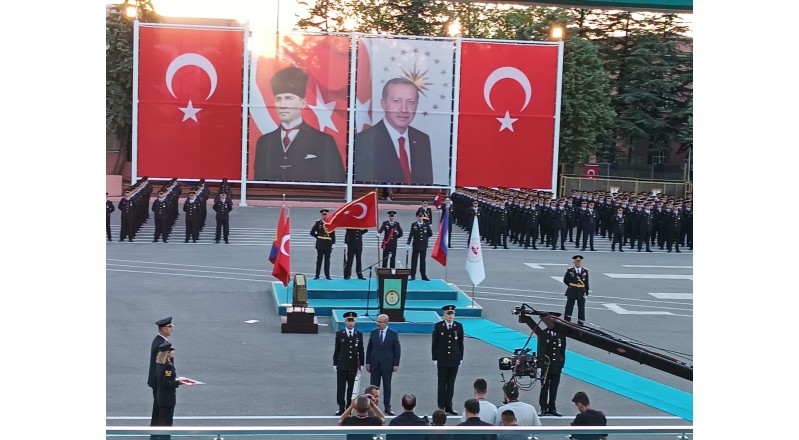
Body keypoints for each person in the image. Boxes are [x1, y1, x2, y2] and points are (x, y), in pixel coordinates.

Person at [253, 66, 345, 182]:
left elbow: (336, 183)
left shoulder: (324, 141)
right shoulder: (264, 142)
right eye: (278, 99)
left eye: (288, 98)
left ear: (303, 103)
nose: (282, 105)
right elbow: (260, 183)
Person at [353, 77, 433, 184]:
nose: (404, 109)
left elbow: (426, 186)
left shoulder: (422, 140)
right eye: (397, 101)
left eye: (410, 102)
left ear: (416, 105)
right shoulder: (364, 141)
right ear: (383, 104)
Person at [366, 314, 401, 415]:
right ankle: (372, 406)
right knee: (372, 388)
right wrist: (368, 362)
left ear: (386, 323)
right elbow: (369, 348)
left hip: (387, 364)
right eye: (377, 321)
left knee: (387, 386)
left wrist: (396, 364)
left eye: (380, 322)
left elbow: (397, 350)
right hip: (375, 364)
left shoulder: (393, 334)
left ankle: (387, 406)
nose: (377, 324)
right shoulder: (373, 332)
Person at [432, 305, 464, 415]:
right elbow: (434, 343)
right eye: (448, 313)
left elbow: (460, 344)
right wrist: (434, 358)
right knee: (441, 383)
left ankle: (449, 406)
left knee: (451, 384)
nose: (450, 316)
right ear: (444, 315)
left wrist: (461, 358)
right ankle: (441, 406)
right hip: (442, 359)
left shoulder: (458, 326)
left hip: (454, 359)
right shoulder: (438, 326)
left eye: (452, 313)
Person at [334, 311, 365, 415]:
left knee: (351, 388)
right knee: (341, 387)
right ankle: (341, 407)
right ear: (345, 322)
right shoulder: (340, 334)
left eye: (352, 321)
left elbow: (361, 350)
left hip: (353, 365)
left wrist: (362, 363)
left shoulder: (358, 335)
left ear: (355, 322)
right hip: (342, 365)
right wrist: (335, 363)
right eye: (348, 321)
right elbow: (337, 350)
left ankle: (349, 407)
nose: (350, 323)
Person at [148, 317, 173, 429]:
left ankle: (154, 433)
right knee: (162, 411)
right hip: (161, 382)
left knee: (157, 408)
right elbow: (162, 364)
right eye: (169, 327)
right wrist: (172, 379)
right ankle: (160, 433)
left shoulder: (158, 340)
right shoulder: (162, 345)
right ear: (163, 329)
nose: (171, 329)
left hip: (156, 380)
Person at [154, 342, 182, 439]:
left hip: (161, 398)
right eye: (171, 352)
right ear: (167, 353)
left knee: (162, 421)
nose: (172, 353)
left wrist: (171, 360)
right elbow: (167, 383)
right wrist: (178, 383)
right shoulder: (167, 367)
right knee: (167, 422)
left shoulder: (159, 364)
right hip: (168, 399)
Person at [537, 326, 566, 417]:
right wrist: (540, 365)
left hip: (556, 366)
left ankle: (552, 408)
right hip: (546, 366)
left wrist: (561, 365)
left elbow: (562, 351)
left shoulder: (561, 334)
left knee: (554, 388)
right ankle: (543, 408)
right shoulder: (543, 333)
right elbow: (540, 350)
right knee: (544, 388)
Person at [563, 255, 590, 324]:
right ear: (574, 262)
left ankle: (581, 323)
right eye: (576, 262)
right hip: (572, 291)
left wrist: (586, 291)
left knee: (581, 309)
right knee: (569, 308)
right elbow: (565, 280)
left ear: (581, 262)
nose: (578, 263)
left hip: (581, 291)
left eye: (579, 262)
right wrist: (571, 285)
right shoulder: (570, 270)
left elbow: (586, 282)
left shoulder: (585, 271)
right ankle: (567, 322)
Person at [407, 213, 433, 281]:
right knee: (414, 261)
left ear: (423, 217)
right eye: (419, 216)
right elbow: (411, 234)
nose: (420, 218)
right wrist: (408, 243)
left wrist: (425, 238)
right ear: (417, 217)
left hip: (423, 245)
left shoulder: (426, 224)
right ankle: (412, 275)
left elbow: (430, 233)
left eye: (421, 216)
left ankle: (423, 275)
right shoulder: (414, 225)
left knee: (422, 261)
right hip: (416, 245)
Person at [310, 209, 336, 279]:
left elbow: (333, 234)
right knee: (319, 260)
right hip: (320, 244)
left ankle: (327, 275)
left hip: (328, 244)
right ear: (321, 215)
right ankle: (317, 275)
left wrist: (333, 243)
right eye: (323, 214)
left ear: (328, 215)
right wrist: (318, 237)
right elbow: (312, 232)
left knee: (327, 260)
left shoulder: (330, 223)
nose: (324, 216)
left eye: (326, 214)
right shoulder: (318, 223)